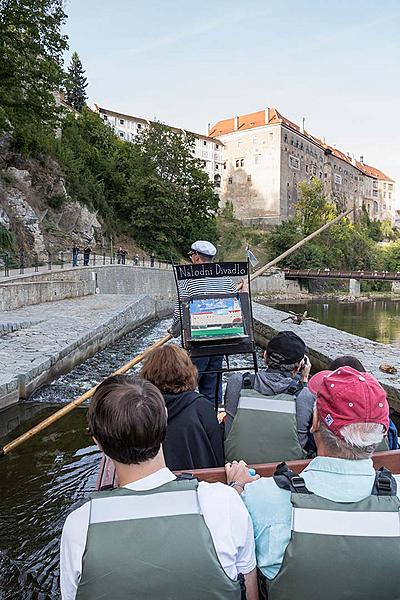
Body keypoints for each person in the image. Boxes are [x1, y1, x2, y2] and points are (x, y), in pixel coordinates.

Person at [60, 375, 258, 600]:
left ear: (97, 441)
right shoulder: (225, 501)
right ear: (165, 420)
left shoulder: (79, 526)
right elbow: (250, 594)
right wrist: (237, 487)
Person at [226, 366, 400, 600]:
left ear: (316, 421)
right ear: (382, 432)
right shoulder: (394, 498)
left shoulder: (261, 498)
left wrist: (236, 489)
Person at [224, 331, 312, 463]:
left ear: (265, 357)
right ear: (298, 367)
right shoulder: (304, 396)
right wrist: (304, 381)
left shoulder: (237, 383)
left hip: (239, 470)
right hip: (285, 476)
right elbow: (299, 441)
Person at [170, 240, 237, 404]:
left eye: (192, 255)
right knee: (212, 387)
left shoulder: (187, 279)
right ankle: (210, 415)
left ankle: (188, 412)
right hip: (221, 340)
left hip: (197, 340)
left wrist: (174, 330)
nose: (191, 258)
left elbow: (181, 309)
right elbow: (235, 302)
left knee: (188, 384)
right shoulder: (225, 278)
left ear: (198, 257)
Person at [140, 344, 224, 470]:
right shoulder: (202, 406)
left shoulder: (141, 410)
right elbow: (218, 455)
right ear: (188, 372)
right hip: (199, 482)